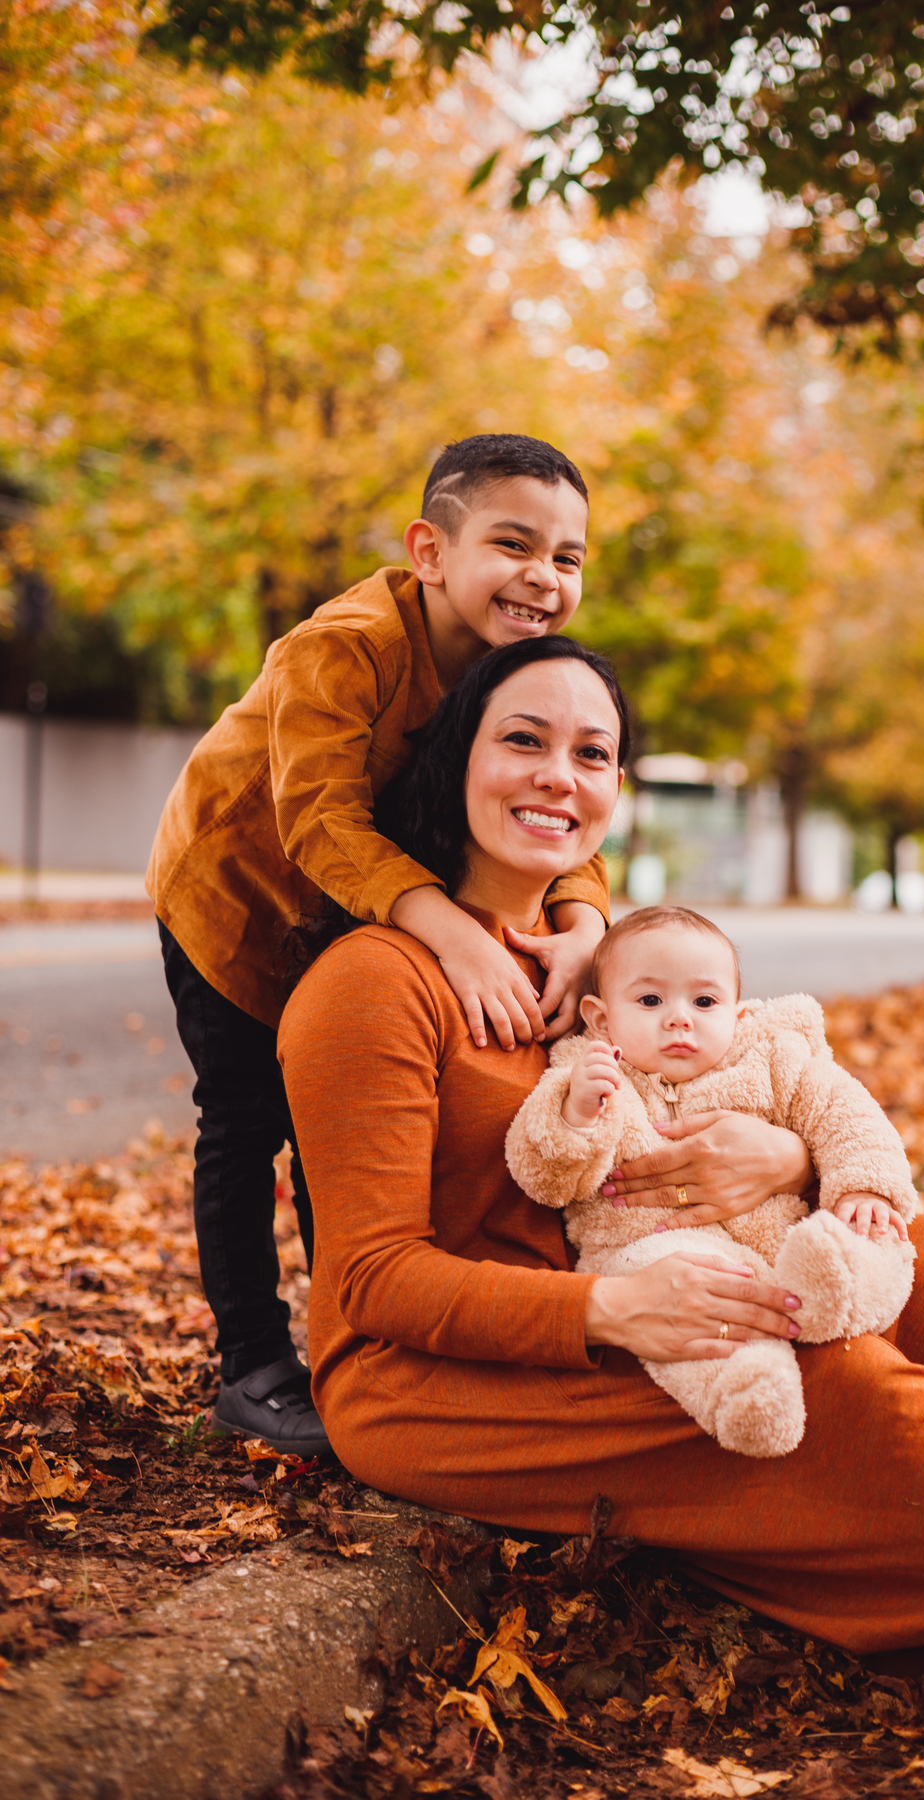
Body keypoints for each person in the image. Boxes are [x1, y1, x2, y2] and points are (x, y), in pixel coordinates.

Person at [279, 633, 924, 1741]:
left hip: (634, 1292)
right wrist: (613, 1308)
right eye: (523, 741)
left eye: (592, 753)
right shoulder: (372, 985)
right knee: (838, 1382)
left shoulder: (596, 961)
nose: (559, 777)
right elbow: (373, 1281)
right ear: (455, 759)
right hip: (439, 1374)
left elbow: (750, 1087)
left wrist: (797, 1161)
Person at [148, 434, 610, 1456]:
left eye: (568, 557)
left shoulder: (516, 669)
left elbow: (559, 799)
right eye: (514, 545)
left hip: (364, 911)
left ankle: (361, 1334)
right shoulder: (343, 647)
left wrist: (585, 921)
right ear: (430, 552)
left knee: (344, 1125)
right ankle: (252, 1365)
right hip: (237, 898)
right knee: (245, 1120)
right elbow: (320, 823)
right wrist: (453, 934)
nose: (544, 576)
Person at [504, 905, 917, 1457]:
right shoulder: (589, 1075)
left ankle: (836, 1288)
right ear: (601, 1019)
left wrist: (867, 1186)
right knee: (686, 1308)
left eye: (704, 1002)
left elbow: (846, 1113)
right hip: (654, 1255)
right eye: (650, 1001)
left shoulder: (770, 1058)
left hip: (782, 1243)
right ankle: (748, 1391)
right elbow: (542, 1177)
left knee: (875, 1236)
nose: (679, 1019)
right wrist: (574, 1115)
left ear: (738, 1015)